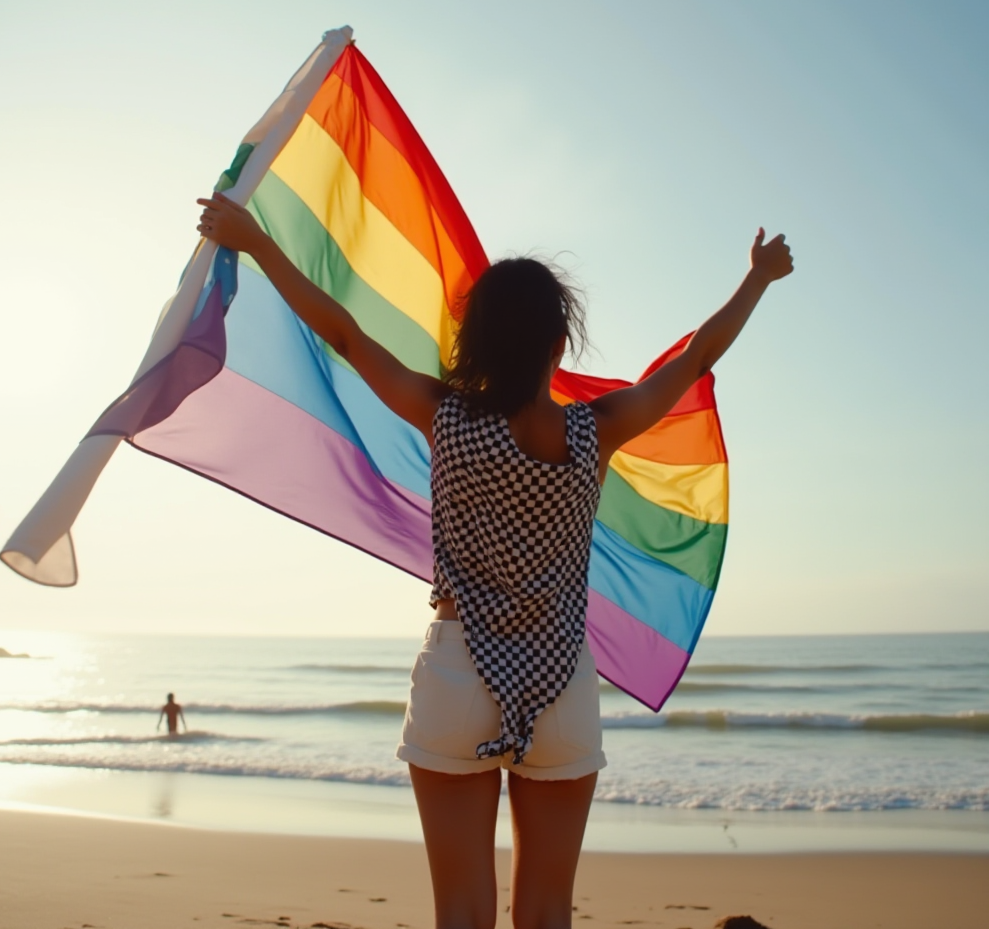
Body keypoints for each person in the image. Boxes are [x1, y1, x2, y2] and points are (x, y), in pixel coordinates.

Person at [196, 192, 793, 929]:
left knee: (463, 912)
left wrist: (257, 243)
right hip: (560, 682)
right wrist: (757, 279)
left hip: (458, 670)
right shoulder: (595, 431)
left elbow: (345, 337)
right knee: (544, 912)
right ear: (557, 347)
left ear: (476, 341)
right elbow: (698, 355)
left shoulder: (444, 416)